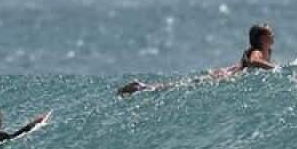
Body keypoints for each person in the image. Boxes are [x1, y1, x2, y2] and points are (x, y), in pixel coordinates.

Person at [118, 23, 276, 95]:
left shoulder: (265, 50)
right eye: (269, 34)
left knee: (180, 86)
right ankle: (141, 87)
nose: (273, 36)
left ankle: (143, 87)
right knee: (179, 87)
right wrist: (274, 68)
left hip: (226, 72)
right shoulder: (258, 52)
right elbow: (255, 61)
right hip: (225, 76)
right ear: (262, 39)